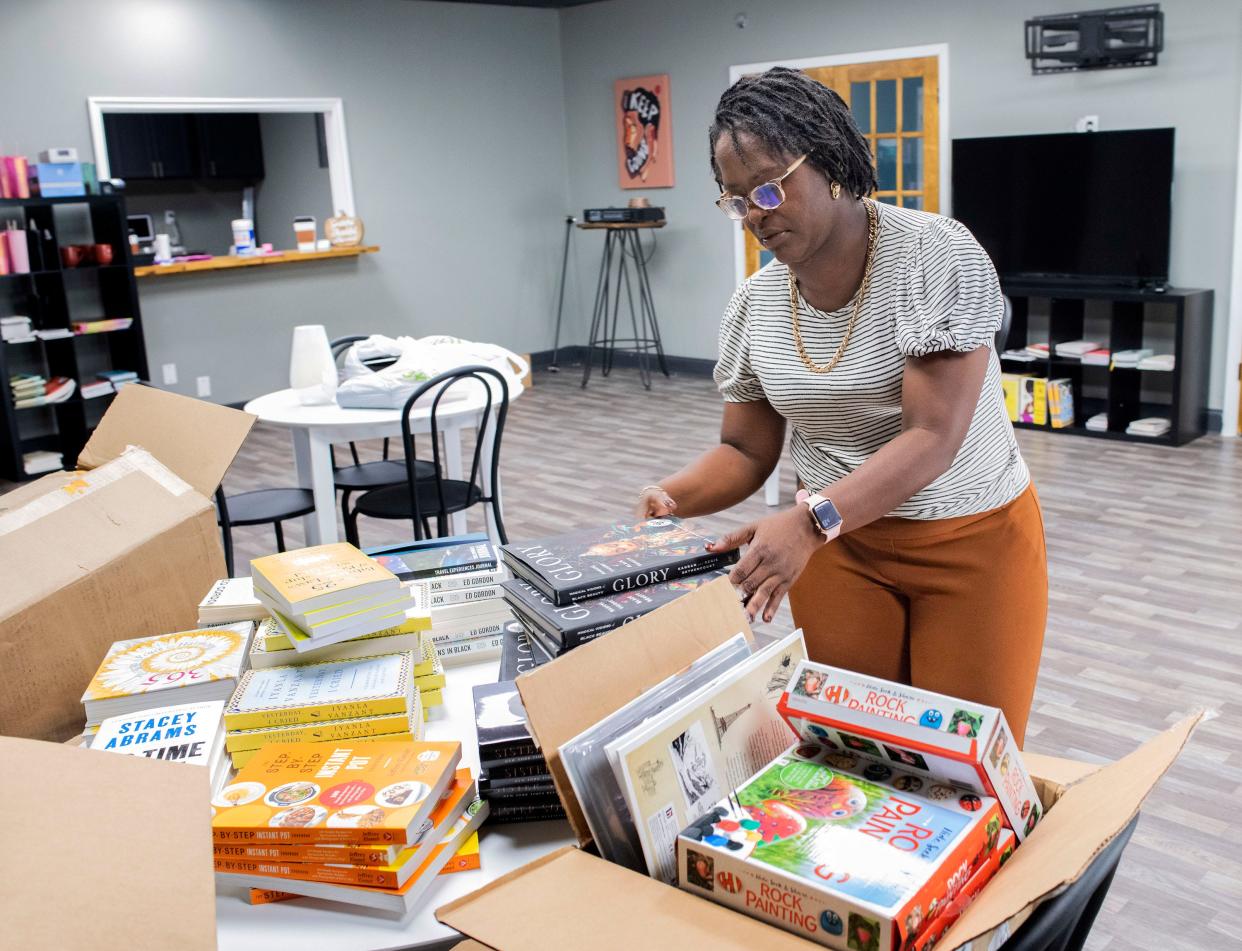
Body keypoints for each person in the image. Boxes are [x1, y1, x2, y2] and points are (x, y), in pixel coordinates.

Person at [635, 67, 1046, 744]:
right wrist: (671, 495)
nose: (756, 215)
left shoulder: (934, 257)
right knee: (858, 754)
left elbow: (932, 438)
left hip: (969, 538)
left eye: (769, 187)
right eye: (737, 202)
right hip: (840, 550)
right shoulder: (757, 304)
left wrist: (810, 520)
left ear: (829, 163)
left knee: (965, 766)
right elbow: (746, 452)